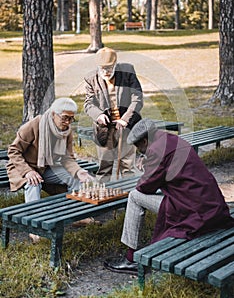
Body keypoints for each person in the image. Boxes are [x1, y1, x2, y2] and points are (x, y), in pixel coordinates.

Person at [104, 118, 234, 274]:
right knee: (146, 194)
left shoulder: (156, 152)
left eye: (139, 147)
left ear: (145, 140)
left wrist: (145, 166)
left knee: (134, 196)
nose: (139, 151)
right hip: (211, 204)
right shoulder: (171, 139)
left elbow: (145, 187)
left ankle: (131, 259)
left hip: (193, 210)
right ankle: (132, 256)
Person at [7, 97, 95, 241]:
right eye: (65, 118)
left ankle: (77, 215)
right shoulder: (34, 125)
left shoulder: (66, 131)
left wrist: (78, 171)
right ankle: (34, 226)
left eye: (71, 119)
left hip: (45, 167)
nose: (68, 122)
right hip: (22, 166)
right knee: (33, 183)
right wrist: (28, 171)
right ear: (54, 113)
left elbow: (67, 157)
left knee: (75, 178)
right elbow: (13, 151)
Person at [84, 47, 143, 183]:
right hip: (104, 128)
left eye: (109, 68)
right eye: (102, 69)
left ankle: (130, 197)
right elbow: (88, 104)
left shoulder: (127, 71)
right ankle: (104, 197)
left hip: (126, 125)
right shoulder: (91, 78)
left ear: (115, 64)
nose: (106, 72)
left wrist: (125, 119)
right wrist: (98, 115)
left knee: (127, 165)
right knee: (105, 166)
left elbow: (137, 99)